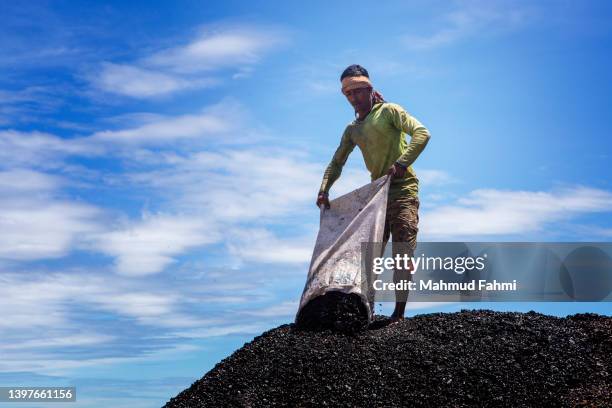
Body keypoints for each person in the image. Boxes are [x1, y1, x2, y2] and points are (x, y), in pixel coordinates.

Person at [316, 64, 431, 322]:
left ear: (369, 89)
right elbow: (337, 162)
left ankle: (398, 315)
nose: (354, 98)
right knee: (370, 258)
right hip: (377, 198)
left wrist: (401, 163)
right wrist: (324, 189)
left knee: (402, 252)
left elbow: (422, 133)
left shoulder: (390, 112)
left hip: (403, 191)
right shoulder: (352, 130)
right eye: (349, 94)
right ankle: (364, 312)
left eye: (359, 91)